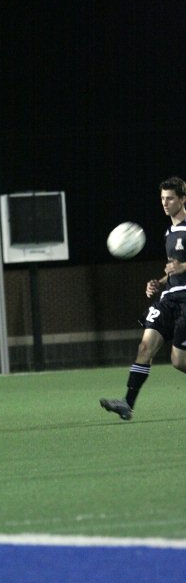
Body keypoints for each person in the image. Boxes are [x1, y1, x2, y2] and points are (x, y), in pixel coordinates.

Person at [100, 176, 186, 420]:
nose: (165, 203)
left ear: (182, 199)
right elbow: (173, 269)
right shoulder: (169, 231)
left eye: (170, 198)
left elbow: (180, 267)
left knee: (179, 361)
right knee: (145, 347)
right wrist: (158, 283)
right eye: (162, 199)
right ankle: (127, 403)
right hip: (169, 299)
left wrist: (183, 268)